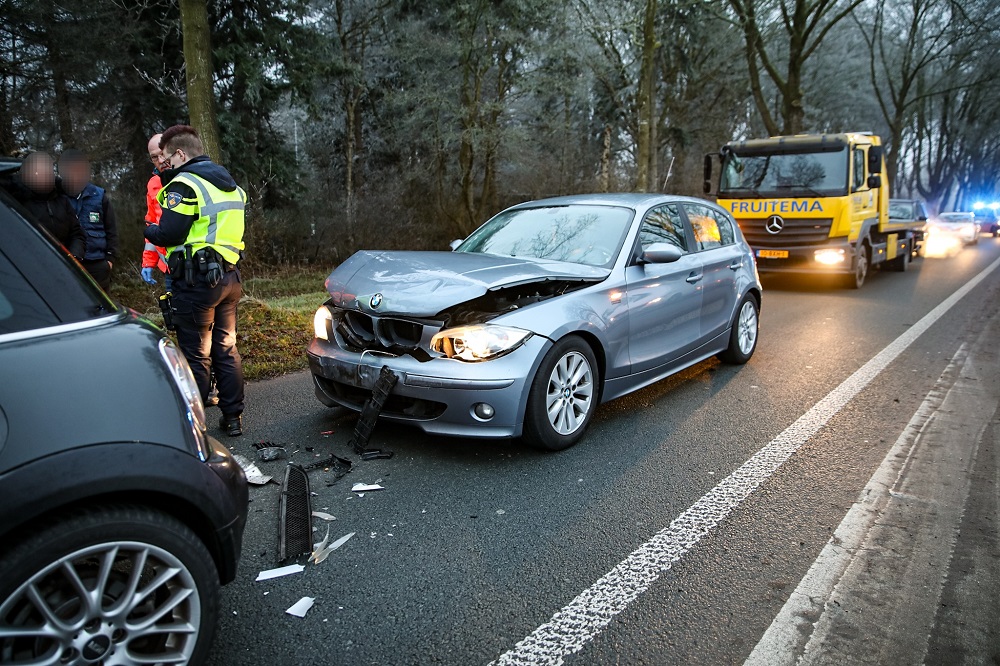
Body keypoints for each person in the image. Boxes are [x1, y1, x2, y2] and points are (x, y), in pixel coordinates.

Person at [145, 125, 247, 436]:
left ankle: (195, 426)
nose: (167, 166)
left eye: (168, 160)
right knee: (226, 349)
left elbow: (169, 233)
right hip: (228, 277)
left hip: (196, 282)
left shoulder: (185, 184)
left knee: (196, 354)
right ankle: (233, 418)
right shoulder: (229, 184)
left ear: (180, 153)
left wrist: (148, 228)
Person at [58, 149, 118, 291]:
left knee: (101, 306)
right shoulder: (57, 195)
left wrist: (110, 260)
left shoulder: (99, 195)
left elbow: (111, 230)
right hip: (68, 262)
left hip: (97, 263)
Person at [11, 152, 85, 259]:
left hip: (63, 263)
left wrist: (74, 256)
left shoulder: (62, 201)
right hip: (32, 263)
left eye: (49, 169)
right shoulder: (19, 200)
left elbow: (77, 234)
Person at [141, 133, 171, 288]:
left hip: (195, 266)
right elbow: (152, 223)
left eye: (163, 154)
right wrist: (148, 262)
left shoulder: (189, 178)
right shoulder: (153, 183)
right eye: (154, 157)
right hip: (169, 268)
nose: (160, 161)